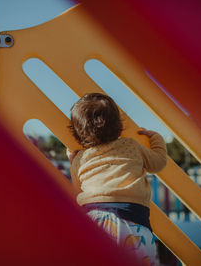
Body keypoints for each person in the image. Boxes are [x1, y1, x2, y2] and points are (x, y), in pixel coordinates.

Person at [67, 93, 167, 265]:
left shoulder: (80, 159)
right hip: (131, 220)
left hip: (92, 221)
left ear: (77, 134)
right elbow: (158, 163)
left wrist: (72, 161)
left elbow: (78, 188)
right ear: (119, 125)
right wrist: (156, 138)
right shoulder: (131, 145)